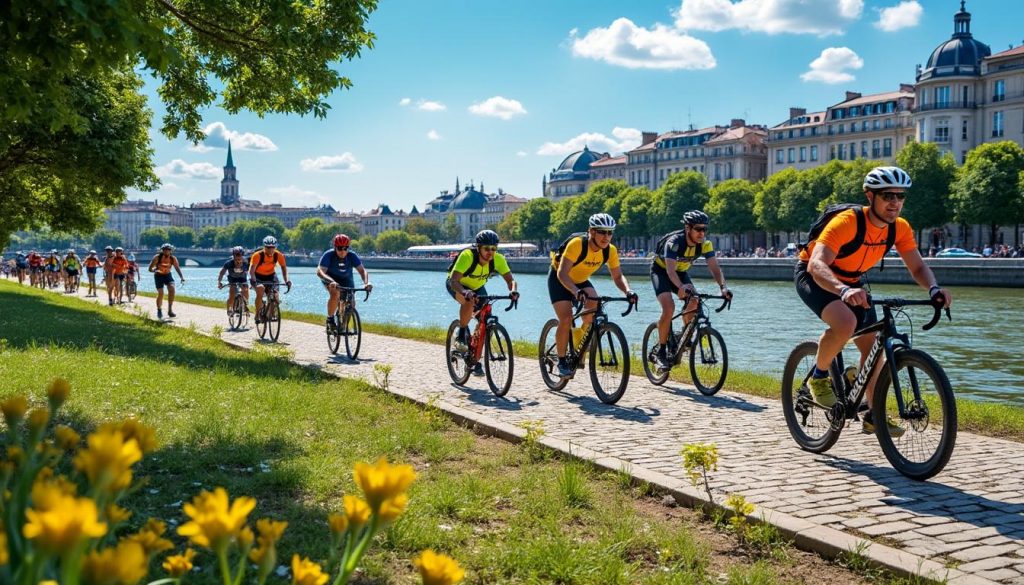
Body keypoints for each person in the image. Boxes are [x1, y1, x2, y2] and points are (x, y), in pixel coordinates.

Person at [795, 166, 952, 437]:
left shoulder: (899, 228)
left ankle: (873, 415)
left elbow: (917, 267)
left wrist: (934, 288)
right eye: (887, 195)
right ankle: (819, 379)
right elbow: (817, 264)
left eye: (900, 196)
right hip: (815, 276)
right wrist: (842, 291)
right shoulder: (847, 222)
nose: (895, 202)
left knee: (874, 349)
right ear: (870, 196)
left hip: (853, 282)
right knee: (845, 324)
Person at [549, 213, 637, 378]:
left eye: (610, 232)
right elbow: (562, 274)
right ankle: (561, 361)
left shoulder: (610, 251)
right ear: (591, 231)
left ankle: (578, 343)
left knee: (593, 310)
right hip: (560, 279)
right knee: (566, 319)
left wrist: (628, 291)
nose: (606, 236)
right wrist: (575, 292)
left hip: (581, 281)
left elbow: (618, 277)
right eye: (602, 232)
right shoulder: (577, 245)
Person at [650, 210, 732, 370]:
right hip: (662, 271)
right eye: (698, 229)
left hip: (680, 272)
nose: (702, 233)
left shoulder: (705, 244)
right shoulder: (674, 242)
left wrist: (723, 287)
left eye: (705, 229)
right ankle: (660, 351)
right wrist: (680, 288)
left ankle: (684, 336)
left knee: (694, 300)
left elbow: (715, 268)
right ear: (688, 228)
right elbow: (670, 271)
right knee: (669, 308)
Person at [446, 230, 518, 373]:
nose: (490, 252)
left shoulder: (498, 259)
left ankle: (473, 357)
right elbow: (454, 281)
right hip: (457, 285)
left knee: (484, 318)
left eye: (493, 248)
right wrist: (465, 292)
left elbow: (511, 280)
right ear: (478, 248)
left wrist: (513, 291)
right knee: (468, 302)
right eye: (486, 248)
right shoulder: (467, 256)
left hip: (478, 287)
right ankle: (461, 334)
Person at [317, 234, 372, 331]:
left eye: (345, 248)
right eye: (339, 248)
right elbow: (320, 272)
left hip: (346, 279)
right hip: (330, 279)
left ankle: (343, 326)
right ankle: (330, 319)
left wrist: (366, 283)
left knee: (352, 303)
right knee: (335, 293)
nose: (343, 251)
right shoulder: (329, 255)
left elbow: (362, 271)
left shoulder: (352, 256)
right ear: (335, 247)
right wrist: (331, 281)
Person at [248, 236, 290, 323]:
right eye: (268, 247)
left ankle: (269, 315)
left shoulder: (278, 255)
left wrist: (286, 280)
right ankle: (257, 314)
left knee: (275, 296)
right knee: (261, 289)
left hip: (271, 276)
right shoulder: (257, 255)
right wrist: (254, 281)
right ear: (264, 247)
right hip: (257, 276)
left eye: (273, 247)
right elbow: (251, 271)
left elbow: (283, 268)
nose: (270, 249)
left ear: (275, 247)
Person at [148, 243, 185, 319]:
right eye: (165, 250)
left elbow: (177, 268)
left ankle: (170, 310)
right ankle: (159, 309)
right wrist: (155, 270)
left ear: (171, 251)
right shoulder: (157, 257)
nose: (166, 251)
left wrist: (181, 277)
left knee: (172, 289)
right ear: (162, 250)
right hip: (158, 275)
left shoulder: (173, 258)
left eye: (168, 250)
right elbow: (150, 269)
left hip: (167, 275)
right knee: (161, 293)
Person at [217, 246, 250, 315]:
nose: (238, 257)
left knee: (245, 290)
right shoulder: (229, 263)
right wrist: (219, 282)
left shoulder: (246, 262)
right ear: (233, 255)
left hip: (242, 278)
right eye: (236, 255)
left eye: (239, 255)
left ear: (242, 255)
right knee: (232, 292)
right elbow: (222, 273)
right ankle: (230, 307)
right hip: (232, 278)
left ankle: (244, 305)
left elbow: (252, 270)